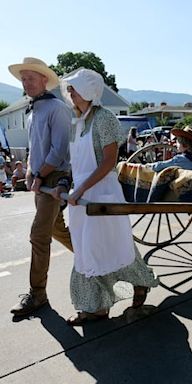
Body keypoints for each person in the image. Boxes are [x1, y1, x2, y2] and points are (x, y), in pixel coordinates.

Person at [51, 69, 158, 325]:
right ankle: (96, 308)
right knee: (88, 251)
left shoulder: (104, 119)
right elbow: (74, 162)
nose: (69, 93)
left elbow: (109, 162)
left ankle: (139, 284)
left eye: (73, 89)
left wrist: (81, 189)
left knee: (111, 246)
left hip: (103, 194)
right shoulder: (78, 122)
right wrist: (65, 184)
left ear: (88, 91)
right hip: (82, 196)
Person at [8, 58, 74, 317]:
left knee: (38, 235)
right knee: (57, 230)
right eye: (23, 79)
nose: (26, 83)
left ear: (44, 80)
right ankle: (94, 258)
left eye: (31, 78)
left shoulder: (57, 108)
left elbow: (60, 151)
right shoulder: (35, 109)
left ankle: (38, 295)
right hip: (40, 177)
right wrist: (28, 170)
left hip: (55, 177)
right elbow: (35, 145)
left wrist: (39, 175)